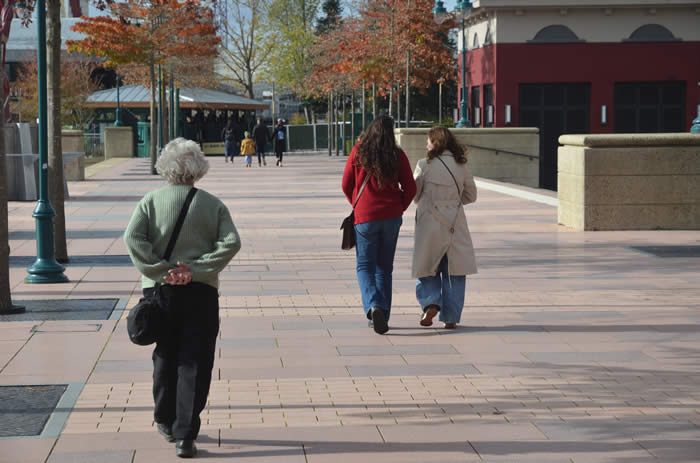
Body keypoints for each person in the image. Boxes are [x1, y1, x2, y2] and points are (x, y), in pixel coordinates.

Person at [124, 138, 241, 458]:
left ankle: (164, 418)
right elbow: (231, 242)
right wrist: (197, 269)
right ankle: (185, 434)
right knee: (195, 359)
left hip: (159, 290)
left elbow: (132, 237)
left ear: (166, 166)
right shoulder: (212, 204)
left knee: (165, 354)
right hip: (201, 290)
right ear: (198, 168)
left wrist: (160, 270)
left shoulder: (150, 201)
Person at [341, 116, 416, 335]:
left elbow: (346, 184)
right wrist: (399, 207)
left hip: (365, 217)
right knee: (384, 268)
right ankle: (383, 312)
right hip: (391, 216)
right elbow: (411, 187)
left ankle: (373, 305)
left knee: (365, 266)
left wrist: (357, 204)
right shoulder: (397, 154)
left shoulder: (359, 152)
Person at [412, 127, 477, 330]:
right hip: (454, 223)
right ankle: (451, 316)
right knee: (455, 270)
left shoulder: (424, 165)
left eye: (428, 141)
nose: (426, 145)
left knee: (427, 265)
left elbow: (415, 194)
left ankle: (430, 303)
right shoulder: (461, 165)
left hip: (429, 223)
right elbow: (471, 195)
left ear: (435, 143)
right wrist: (452, 202)